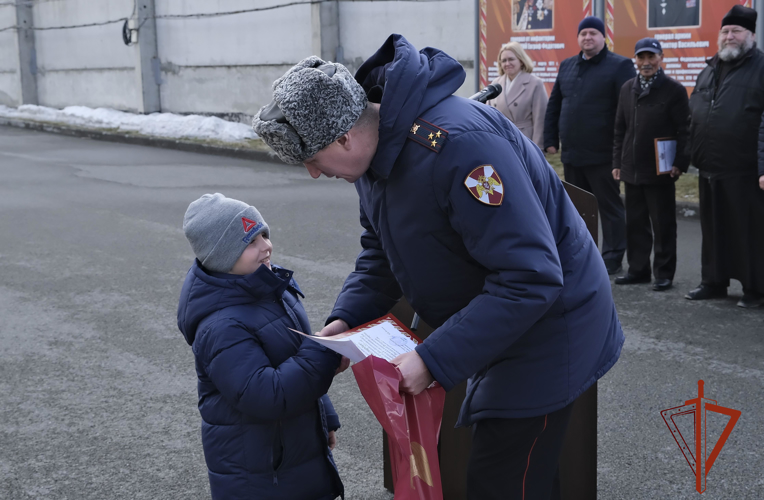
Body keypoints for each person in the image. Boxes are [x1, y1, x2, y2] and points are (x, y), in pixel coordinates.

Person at [253, 34, 624, 499]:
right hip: (504, 326)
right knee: (519, 476)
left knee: (501, 479)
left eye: (312, 159)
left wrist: (432, 359)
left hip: (552, 330)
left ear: (344, 134)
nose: (313, 172)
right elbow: (382, 250)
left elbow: (531, 278)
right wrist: (344, 320)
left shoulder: (458, 149)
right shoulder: (374, 156)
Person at [176, 193, 345, 499]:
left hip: (291, 452)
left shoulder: (268, 289)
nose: (266, 246)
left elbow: (295, 356)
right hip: (260, 474)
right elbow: (266, 394)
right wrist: (325, 351)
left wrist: (324, 418)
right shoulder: (221, 327)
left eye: (264, 234)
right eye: (250, 242)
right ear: (222, 256)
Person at [685, 5, 764, 308]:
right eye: (725, 31)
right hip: (710, 165)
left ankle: (755, 289)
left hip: (745, 167)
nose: (729, 36)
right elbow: (694, 113)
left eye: (736, 31)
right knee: (713, 229)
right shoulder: (710, 67)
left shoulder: (760, 67)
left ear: (751, 35)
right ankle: (713, 282)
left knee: (749, 231)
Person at [544, 16, 635, 275]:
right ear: (578, 38)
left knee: (608, 208)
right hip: (573, 154)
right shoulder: (567, 66)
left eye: (593, 33)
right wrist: (550, 139)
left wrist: (623, 149)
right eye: (583, 34)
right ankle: (582, 254)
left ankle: (613, 257)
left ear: (603, 37)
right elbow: (555, 105)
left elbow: (626, 110)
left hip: (604, 154)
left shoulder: (620, 66)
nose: (588, 38)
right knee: (578, 209)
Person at [612, 38, 690, 292]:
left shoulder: (674, 90)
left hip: (661, 170)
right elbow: (619, 129)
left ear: (661, 58)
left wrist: (680, 163)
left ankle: (664, 273)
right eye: (641, 58)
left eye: (651, 57)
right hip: (631, 170)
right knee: (635, 223)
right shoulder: (627, 88)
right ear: (635, 60)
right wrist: (617, 163)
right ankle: (638, 269)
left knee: (663, 223)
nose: (646, 63)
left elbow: (685, 130)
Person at [487, 41, 548, 148]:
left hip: (525, 141)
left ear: (521, 60)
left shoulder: (535, 83)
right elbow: (489, 117)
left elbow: (540, 120)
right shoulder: (495, 84)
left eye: (511, 59)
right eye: (503, 61)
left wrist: (538, 148)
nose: (507, 63)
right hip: (501, 140)